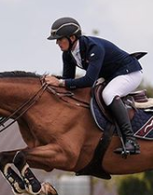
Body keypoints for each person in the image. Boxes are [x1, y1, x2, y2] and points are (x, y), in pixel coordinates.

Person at [44, 17, 143, 156]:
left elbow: (89, 80)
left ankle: (131, 141)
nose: (57, 43)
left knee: (108, 94)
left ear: (72, 37)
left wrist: (60, 82)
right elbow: (68, 79)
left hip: (129, 72)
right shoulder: (68, 54)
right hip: (111, 75)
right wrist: (51, 80)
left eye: (60, 39)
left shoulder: (94, 48)